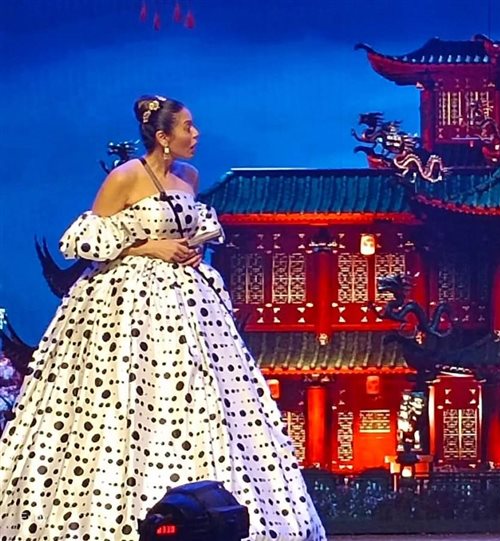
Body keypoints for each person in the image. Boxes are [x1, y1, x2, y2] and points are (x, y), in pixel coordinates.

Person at [0, 95, 326, 540]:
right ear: (162, 136)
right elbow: (89, 240)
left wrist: (192, 251)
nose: (196, 133)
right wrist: (150, 247)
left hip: (190, 305)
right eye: (187, 126)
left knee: (201, 392)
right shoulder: (126, 176)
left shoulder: (189, 177)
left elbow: (191, 229)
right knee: (124, 395)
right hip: (128, 304)